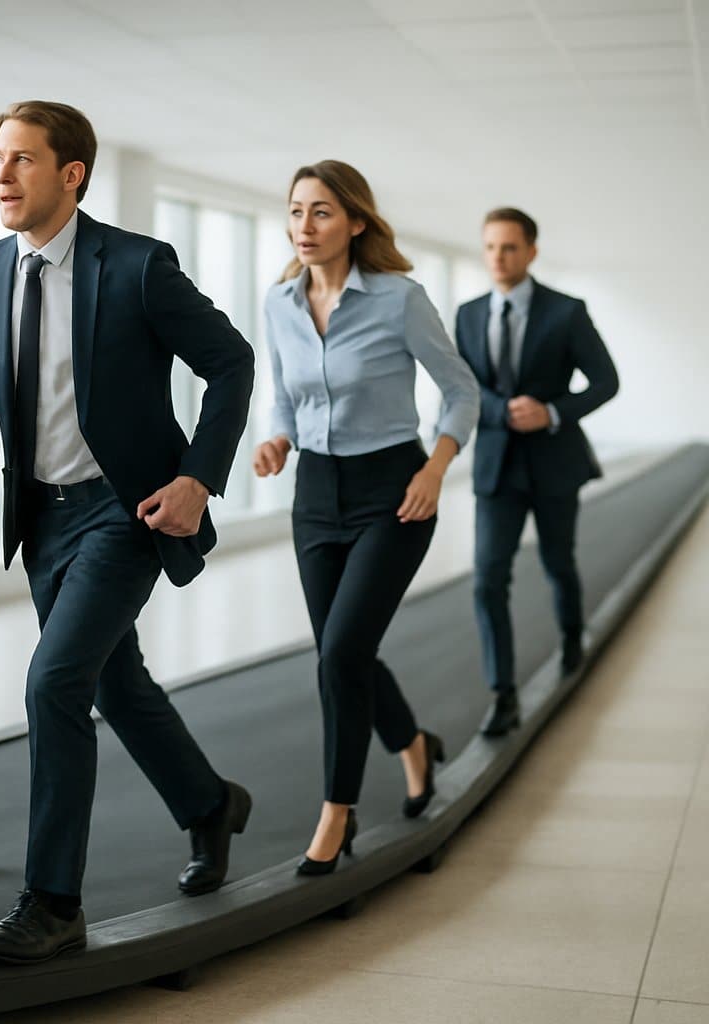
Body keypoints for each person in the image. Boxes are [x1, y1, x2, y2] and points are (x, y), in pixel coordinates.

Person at [0, 101, 256, 966]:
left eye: (22, 161)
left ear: (71, 174)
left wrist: (198, 477)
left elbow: (231, 361)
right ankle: (209, 804)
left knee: (54, 683)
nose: (1, 175)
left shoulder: (137, 266)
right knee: (115, 684)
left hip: (127, 510)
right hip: (42, 518)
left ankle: (51, 904)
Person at [253, 160, 480, 875]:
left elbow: (461, 392)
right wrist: (277, 437)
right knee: (341, 654)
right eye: (296, 212)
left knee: (342, 653)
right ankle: (413, 744)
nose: (305, 226)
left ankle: (337, 813)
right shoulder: (279, 302)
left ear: (355, 220)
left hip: (394, 490)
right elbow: (285, 392)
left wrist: (435, 470)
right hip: (315, 495)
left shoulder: (398, 299)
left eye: (321, 212)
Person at [455, 207, 619, 737]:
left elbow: (604, 381)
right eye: (490, 248)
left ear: (531, 251)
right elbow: (462, 384)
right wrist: (502, 411)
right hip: (496, 466)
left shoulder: (567, 312)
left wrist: (551, 412)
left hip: (554, 462)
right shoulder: (468, 313)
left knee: (558, 564)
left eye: (508, 247)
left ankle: (573, 636)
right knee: (487, 580)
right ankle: (502, 693)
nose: (498, 258)